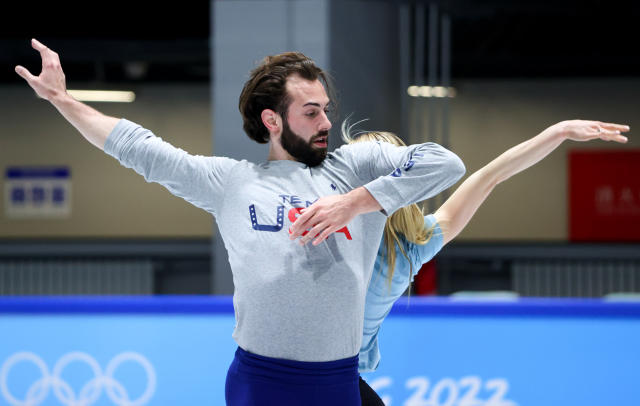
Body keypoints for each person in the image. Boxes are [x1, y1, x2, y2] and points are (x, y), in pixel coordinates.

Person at [15, 39, 466, 405]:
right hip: (260, 382)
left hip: (336, 382)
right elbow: (139, 148)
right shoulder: (231, 182)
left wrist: (356, 203)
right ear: (272, 120)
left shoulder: (355, 167)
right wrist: (62, 100)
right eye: (311, 112)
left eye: (326, 108)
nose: (326, 121)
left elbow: (445, 163)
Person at [349, 120, 630, 406]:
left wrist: (559, 132)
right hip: (342, 380)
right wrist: (558, 133)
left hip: (324, 377)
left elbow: (490, 176)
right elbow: (490, 176)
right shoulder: (413, 246)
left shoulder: (394, 244)